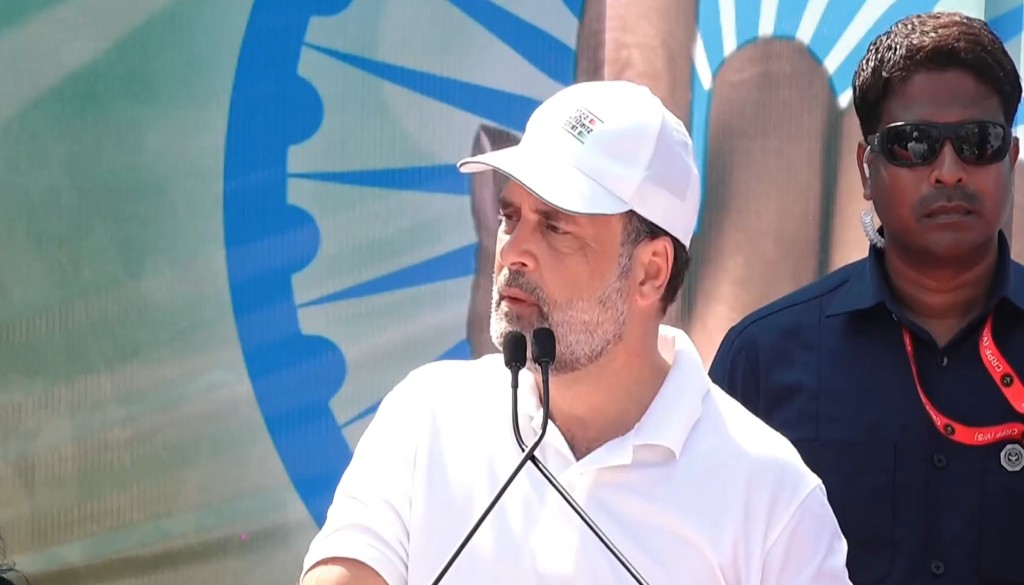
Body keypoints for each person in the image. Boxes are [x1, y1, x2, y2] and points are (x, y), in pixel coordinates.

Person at [299, 80, 852, 584]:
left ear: (650, 271)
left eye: (556, 227)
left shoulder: (772, 499)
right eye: (510, 217)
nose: (514, 252)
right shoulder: (425, 419)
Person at [709, 11, 1024, 585]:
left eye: (979, 142)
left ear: (1012, 159)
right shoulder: (762, 359)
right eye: (913, 144)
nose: (948, 172)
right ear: (866, 168)